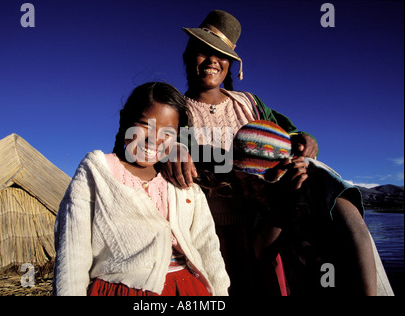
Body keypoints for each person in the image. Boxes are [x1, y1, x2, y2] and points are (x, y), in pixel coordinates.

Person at [161, 9, 315, 295]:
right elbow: (144, 143)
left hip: (262, 227)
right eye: (201, 51)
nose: (211, 61)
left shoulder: (249, 104)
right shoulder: (175, 110)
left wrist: (306, 138)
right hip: (202, 232)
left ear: (231, 64)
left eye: (220, 54)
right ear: (187, 56)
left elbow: (287, 135)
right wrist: (172, 148)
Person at [53, 82, 230, 296]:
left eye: (168, 132)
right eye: (145, 125)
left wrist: (220, 294)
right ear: (125, 120)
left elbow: (207, 245)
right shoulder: (97, 170)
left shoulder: (181, 178)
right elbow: (72, 254)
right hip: (121, 290)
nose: (154, 139)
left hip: (188, 290)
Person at [232, 120, 377, 296]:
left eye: (252, 181)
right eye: (241, 183)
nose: (248, 193)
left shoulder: (314, 177)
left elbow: (357, 233)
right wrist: (284, 201)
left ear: (278, 170)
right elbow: (262, 250)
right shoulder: (267, 202)